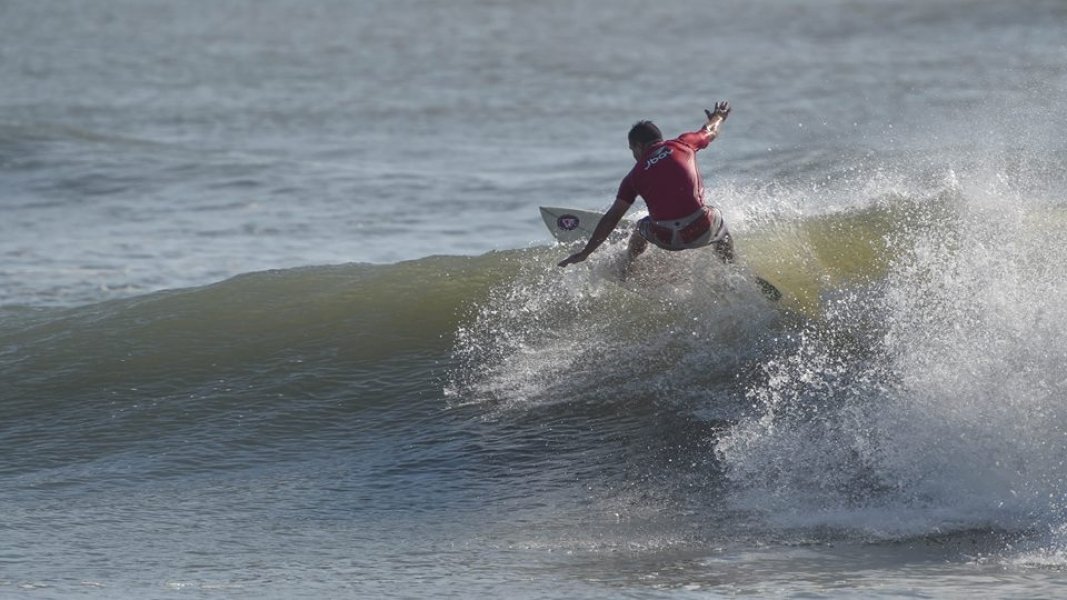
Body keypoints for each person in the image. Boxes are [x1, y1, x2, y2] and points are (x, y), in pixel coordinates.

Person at [558, 102, 734, 271]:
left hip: (667, 239)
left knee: (640, 228)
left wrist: (585, 252)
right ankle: (731, 269)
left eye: (632, 150)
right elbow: (710, 130)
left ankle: (628, 265)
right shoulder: (684, 144)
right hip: (701, 229)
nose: (634, 155)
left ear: (638, 146)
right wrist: (719, 116)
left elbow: (613, 217)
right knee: (720, 228)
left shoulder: (633, 177)